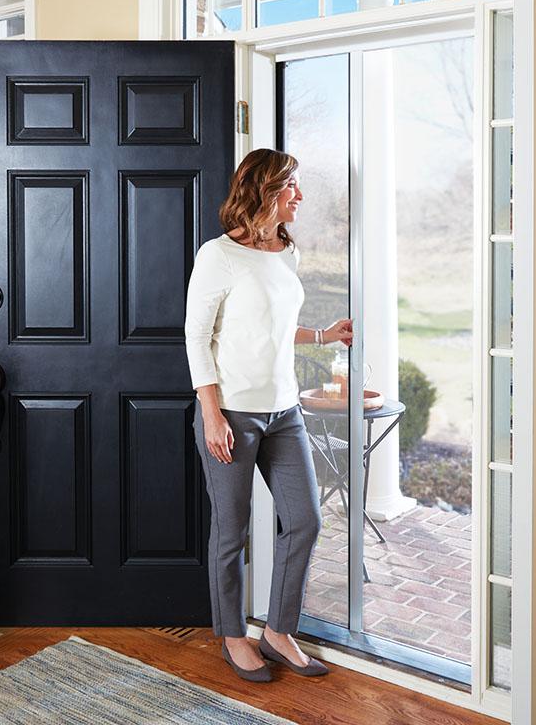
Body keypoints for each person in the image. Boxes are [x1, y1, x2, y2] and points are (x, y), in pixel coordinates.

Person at [184, 148, 353, 683]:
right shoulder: (218, 255)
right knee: (231, 532)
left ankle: (278, 633)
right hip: (232, 411)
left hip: (285, 411)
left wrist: (324, 336)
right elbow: (197, 337)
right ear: (265, 190)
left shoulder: (287, 251)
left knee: (304, 520)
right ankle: (235, 637)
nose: (300, 196)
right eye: (292, 187)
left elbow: (275, 327)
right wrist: (211, 413)